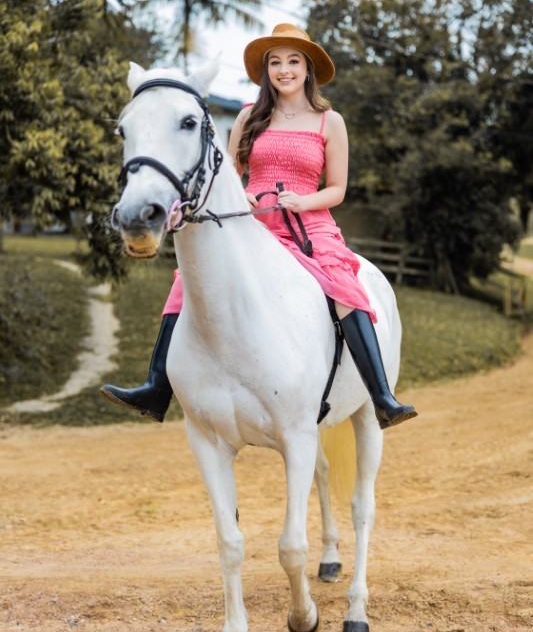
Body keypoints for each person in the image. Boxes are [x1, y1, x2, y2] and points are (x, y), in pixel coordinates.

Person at [101, 24, 417, 429]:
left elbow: (337, 189)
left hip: (308, 225)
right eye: (275, 62)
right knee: (186, 281)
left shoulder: (329, 121)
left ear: (307, 69)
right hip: (251, 224)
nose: (284, 70)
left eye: (293, 61)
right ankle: (155, 387)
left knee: (344, 287)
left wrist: (303, 201)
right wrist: (242, 195)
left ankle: (381, 397)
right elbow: (226, 173)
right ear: (266, 70)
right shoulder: (249, 116)